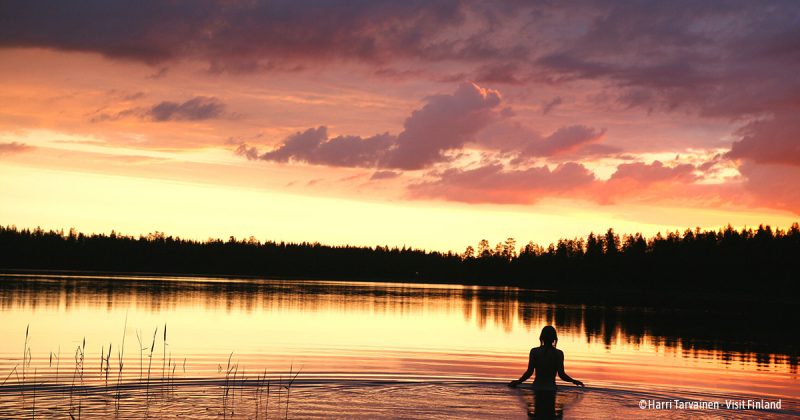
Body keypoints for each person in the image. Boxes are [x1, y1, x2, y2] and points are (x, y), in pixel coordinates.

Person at [508, 326, 584, 418]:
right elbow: (562, 375)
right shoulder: (559, 354)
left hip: (537, 389)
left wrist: (517, 382)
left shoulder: (534, 352)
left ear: (542, 338)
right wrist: (574, 381)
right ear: (554, 339)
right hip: (551, 390)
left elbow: (529, 372)